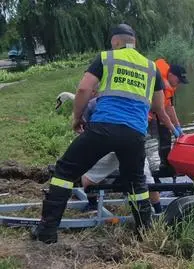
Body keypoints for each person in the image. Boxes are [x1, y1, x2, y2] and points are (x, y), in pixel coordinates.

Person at [31, 24, 177, 244]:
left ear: (114, 42)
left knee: (64, 171)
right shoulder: (151, 67)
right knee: (136, 183)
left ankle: (47, 231)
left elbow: (83, 89)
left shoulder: (106, 58)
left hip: (103, 128)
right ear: (134, 42)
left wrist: (77, 118)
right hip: (135, 134)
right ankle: (144, 233)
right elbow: (158, 106)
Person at [80, 97, 164, 214]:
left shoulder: (94, 104)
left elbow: (87, 128)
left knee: (88, 177)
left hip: (108, 145)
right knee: (146, 180)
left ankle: (92, 204)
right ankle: (158, 209)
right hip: (132, 144)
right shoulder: (135, 101)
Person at [148, 58, 188, 173]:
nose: (179, 83)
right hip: (144, 113)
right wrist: (173, 129)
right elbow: (161, 111)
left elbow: (169, 106)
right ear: (170, 75)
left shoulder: (169, 85)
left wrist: (178, 126)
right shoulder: (159, 82)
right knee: (140, 138)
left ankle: (165, 165)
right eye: (179, 80)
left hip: (157, 111)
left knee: (165, 134)